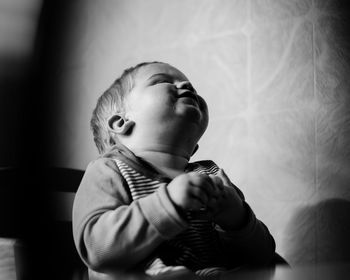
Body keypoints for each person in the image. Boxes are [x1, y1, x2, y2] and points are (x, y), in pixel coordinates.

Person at [72, 61, 276, 279]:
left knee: (276, 264)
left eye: (191, 86)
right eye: (161, 81)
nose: (187, 84)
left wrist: (237, 217)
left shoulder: (211, 176)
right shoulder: (108, 170)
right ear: (121, 122)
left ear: (194, 146)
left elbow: (263, 254)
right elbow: (96, 249)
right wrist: (167, 203)